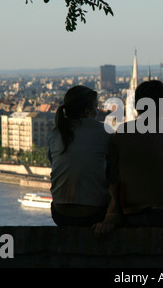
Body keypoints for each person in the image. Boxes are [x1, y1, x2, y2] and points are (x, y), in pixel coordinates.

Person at [93, 80, 163, 236]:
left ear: (136, 106)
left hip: (129, 214)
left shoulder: (121, 133)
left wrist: (111, 218)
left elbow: (114, 180)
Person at [48, 85, 112, 227]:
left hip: (60, 213)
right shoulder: (105, 132)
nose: (97, 111)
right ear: (88, 111)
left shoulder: (56, 133)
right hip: (94, 214)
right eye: (96, 107)